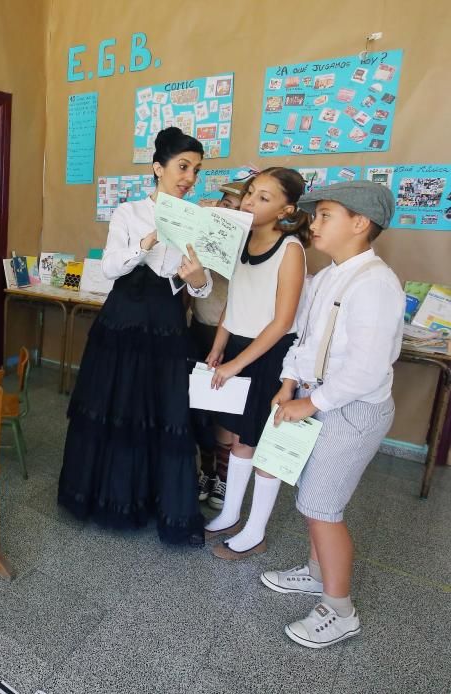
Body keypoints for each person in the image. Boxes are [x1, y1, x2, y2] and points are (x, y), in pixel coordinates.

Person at [261, 181, 401, 648]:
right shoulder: (328, 276)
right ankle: (319, 572)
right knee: (311, 499)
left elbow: (365, 369)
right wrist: (287, 383)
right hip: (318, 400)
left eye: (325, 215)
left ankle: (340, 609)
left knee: (323, 509)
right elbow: (302, 341)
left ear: (360, 224)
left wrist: (310, 403)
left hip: (351, 411)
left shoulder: (376, 283)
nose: (314, 223)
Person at [57, 127, 213, 546]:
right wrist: (147, 242)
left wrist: (197, 279)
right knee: (115, 405)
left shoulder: (197, 218)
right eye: (183, 167)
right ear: (158, 168)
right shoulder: (129, 212)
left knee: (161, 411)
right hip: (122, 321)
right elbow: (110, 269)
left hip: (165, 322)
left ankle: (152, 501)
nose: (189, 178)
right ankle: (103, 497)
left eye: (196, 170)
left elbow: (201, 288)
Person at [202, 168, 309, 560]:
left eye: (264, 197)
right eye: (250, 193)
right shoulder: (241, 241)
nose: (250, 201)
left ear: (287, 209)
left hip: (271, 353)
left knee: (259, 441)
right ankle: (231, 514)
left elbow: (282, 321)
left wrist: (235, 365)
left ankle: (255, 530)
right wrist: (219, 345)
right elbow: (237, 299)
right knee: (236, 437)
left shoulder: (291, 249)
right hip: (240, 348)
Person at [193, 179, 248, 508]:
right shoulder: (208, 228)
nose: (230, 209)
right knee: (201, 408)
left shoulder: (254, 242)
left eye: (238, 205)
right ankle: (207, 471)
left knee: (227, 411)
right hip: (200, 326)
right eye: (226, 202)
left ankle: (224, 480)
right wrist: (212, 213)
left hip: (235, 334)